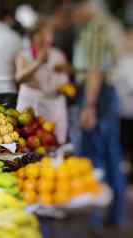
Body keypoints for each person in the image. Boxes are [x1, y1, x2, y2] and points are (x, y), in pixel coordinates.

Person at [71, 0, 126, 230]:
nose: (74, 14)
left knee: (92, 158)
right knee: (112, 156)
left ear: (87, 8)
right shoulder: (108, 26)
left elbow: (95, 71)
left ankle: (92, 221)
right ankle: (116, 216)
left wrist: (89, 106)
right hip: (108, 96)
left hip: (96, 96)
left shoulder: (94, 29)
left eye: (76, 8)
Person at [16, 20, 69, 144]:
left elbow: (65, 79)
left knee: (56, 143)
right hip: (30, 106)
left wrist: (65, 72)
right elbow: (19, 78)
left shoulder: (58, 54)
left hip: (54, 107)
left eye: (49, 34)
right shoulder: (24, 55)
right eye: (41, 34)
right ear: (33, 37)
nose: (46, 38)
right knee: (27, 144)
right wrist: (38, 63)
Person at [113, 27, 133, 180]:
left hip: (127, 112)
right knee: (125, 150)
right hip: (124, 113)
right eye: (129, 38)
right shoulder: (123, 61)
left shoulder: (126, 62)